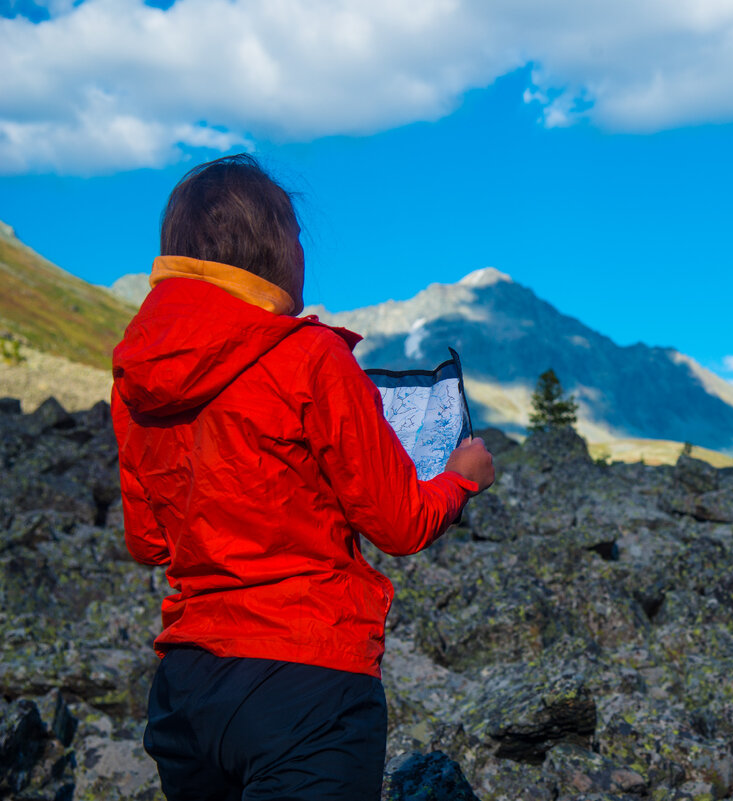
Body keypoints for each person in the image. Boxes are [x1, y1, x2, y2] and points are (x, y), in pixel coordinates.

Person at [110, 153, 495, 800]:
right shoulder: (309, 355)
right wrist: (461, 477)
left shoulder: (135, 378)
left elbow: (149, 541)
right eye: (295, 235)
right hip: (307, 680)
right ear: (274, 246)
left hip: (185, 691)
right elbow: (400, 523)